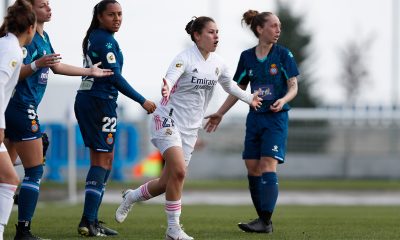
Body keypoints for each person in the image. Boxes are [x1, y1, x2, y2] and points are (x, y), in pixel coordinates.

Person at [115, 16, 262, 240]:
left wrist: (249, 98)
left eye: (217, 32)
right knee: (180, 172)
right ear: (197, 36)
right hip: (166, 119)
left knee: (167, 182)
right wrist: (167, 87)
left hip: (190, 128)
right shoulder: (184, 58)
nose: (216, 36)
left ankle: (132, 196)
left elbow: (229, 85)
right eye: (211, 32)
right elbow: (171, 76)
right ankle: (173, 230)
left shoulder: (218, 63)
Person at [3, 0, 114, 239]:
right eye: (43, 5)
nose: (49, 8)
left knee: (5, 175)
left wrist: (89, 71)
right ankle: (23, 231)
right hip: (20, 107)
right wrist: (35, 64)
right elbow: (15, 72)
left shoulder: (43, 36)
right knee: (34, 170)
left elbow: (56, 66)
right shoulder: (23, 42)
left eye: (49, 4)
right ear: (30, 11)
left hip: (21, 109)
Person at [204, 10, 299, 234]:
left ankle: (265, 221)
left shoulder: (283, 55)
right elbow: (237, 90)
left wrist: (283, 99)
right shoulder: (247, 57)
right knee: (252, 167)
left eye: (279, 26)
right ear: (260, 29)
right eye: (274, 26)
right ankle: (263, 220)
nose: (278, 30)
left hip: (276, 119)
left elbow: (293, 85)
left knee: (267, 164)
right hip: (255, 118)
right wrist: (220, 113)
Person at [75, 0, 156, 237]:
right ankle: (88, 221)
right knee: (102, 161)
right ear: (100, 16)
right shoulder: (104, 40)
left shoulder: (99, 37)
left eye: (120, 14)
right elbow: (114, 77)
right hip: (99, 102)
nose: (117, 18)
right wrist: (142, 100)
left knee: (103, 160)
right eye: (111, 14)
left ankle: (90, 220)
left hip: (95, 100)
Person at [0, 1, 36, 239]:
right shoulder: (11, 49)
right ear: (31, 28)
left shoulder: (8, 45)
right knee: (10, 179)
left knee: (8, 178)